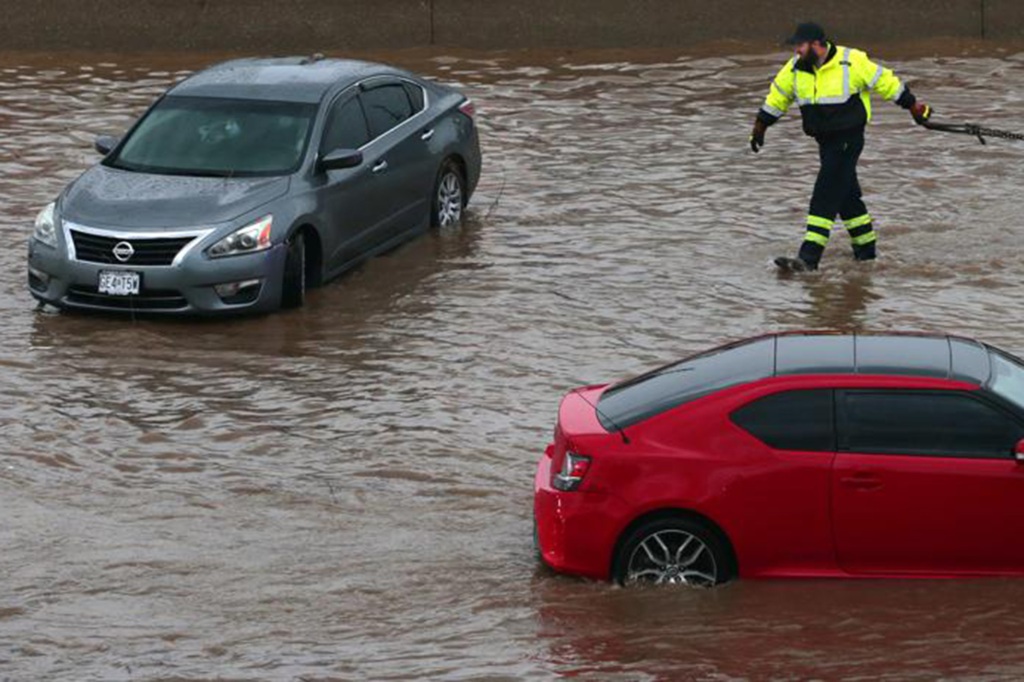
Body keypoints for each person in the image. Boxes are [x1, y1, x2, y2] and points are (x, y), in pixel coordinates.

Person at [750, 22, 932, 270]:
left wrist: (913, 106)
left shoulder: (852, 61)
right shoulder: (795, 69)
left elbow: (885, 81)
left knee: (825, 192)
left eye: (800, 46)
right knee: (847, 197)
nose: (796, 52)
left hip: (849, 138)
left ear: (816, 44)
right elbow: (778, 96)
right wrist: (760, 126)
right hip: (824, 142)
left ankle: (808, 259)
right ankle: (866, 253)